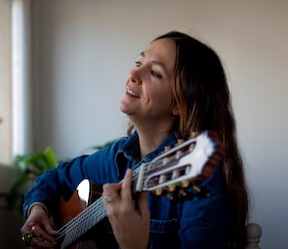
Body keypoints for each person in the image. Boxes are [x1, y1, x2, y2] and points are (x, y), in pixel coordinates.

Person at [20, 31, 249, 248]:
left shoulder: (201, 179)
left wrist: (136, 246)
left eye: (155, 73)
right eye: (139, 63)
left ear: (180, 104)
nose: (133, 74)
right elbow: (55, 177)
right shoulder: (116, 158)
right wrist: (37, 209)